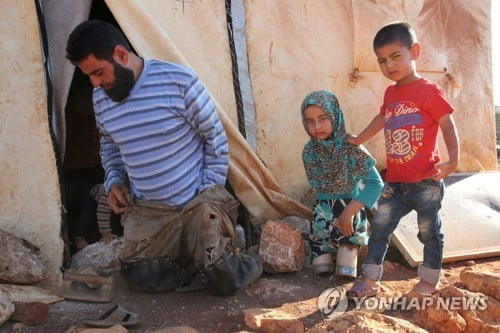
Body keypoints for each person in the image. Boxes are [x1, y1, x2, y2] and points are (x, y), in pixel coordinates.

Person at [65, 20, 261, 296]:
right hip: (150, 210)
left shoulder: (179, 81)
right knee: (143, 278)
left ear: (121, 55)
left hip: (196, 203)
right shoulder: (101, 98)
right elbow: (109, 146)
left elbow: (215, 138)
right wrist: (114, 181)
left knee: (223, 279)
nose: (95, 83)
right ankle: (190, 262)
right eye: (89, 76)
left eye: (98, 72)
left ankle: (250, 259)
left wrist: (209, 190)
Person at [347, 22, 460, 297]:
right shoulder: (391, 94)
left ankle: (429, 281)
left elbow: (447, 125)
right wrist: (359, 139)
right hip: (395, 182)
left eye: (396, 56)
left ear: (415, 52)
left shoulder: (429, 91)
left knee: (429, 233)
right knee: (380, 229)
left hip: (425, 181)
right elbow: (382, 118)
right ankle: (370, 279)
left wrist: (452, 161)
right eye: (382, 61)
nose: (389, 65)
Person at [301, 90, 383, 277]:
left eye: (323, 118)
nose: (316, 126)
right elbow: (319, 189)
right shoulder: (309, 151)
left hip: (349, 219)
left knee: (345, 272)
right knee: (320, 270)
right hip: (321, 219)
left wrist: (349, 212)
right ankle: (325, 250)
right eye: (310, 121)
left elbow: (375, 184)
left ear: (335, 115)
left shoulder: (350, 146)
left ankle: (347, 250)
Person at [74, 183, 122, 251]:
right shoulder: (111, 192)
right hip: (94, 196)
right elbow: (103, 211)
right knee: (86, 215)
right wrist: (106, 233)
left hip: (117, 200)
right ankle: (79, 237)